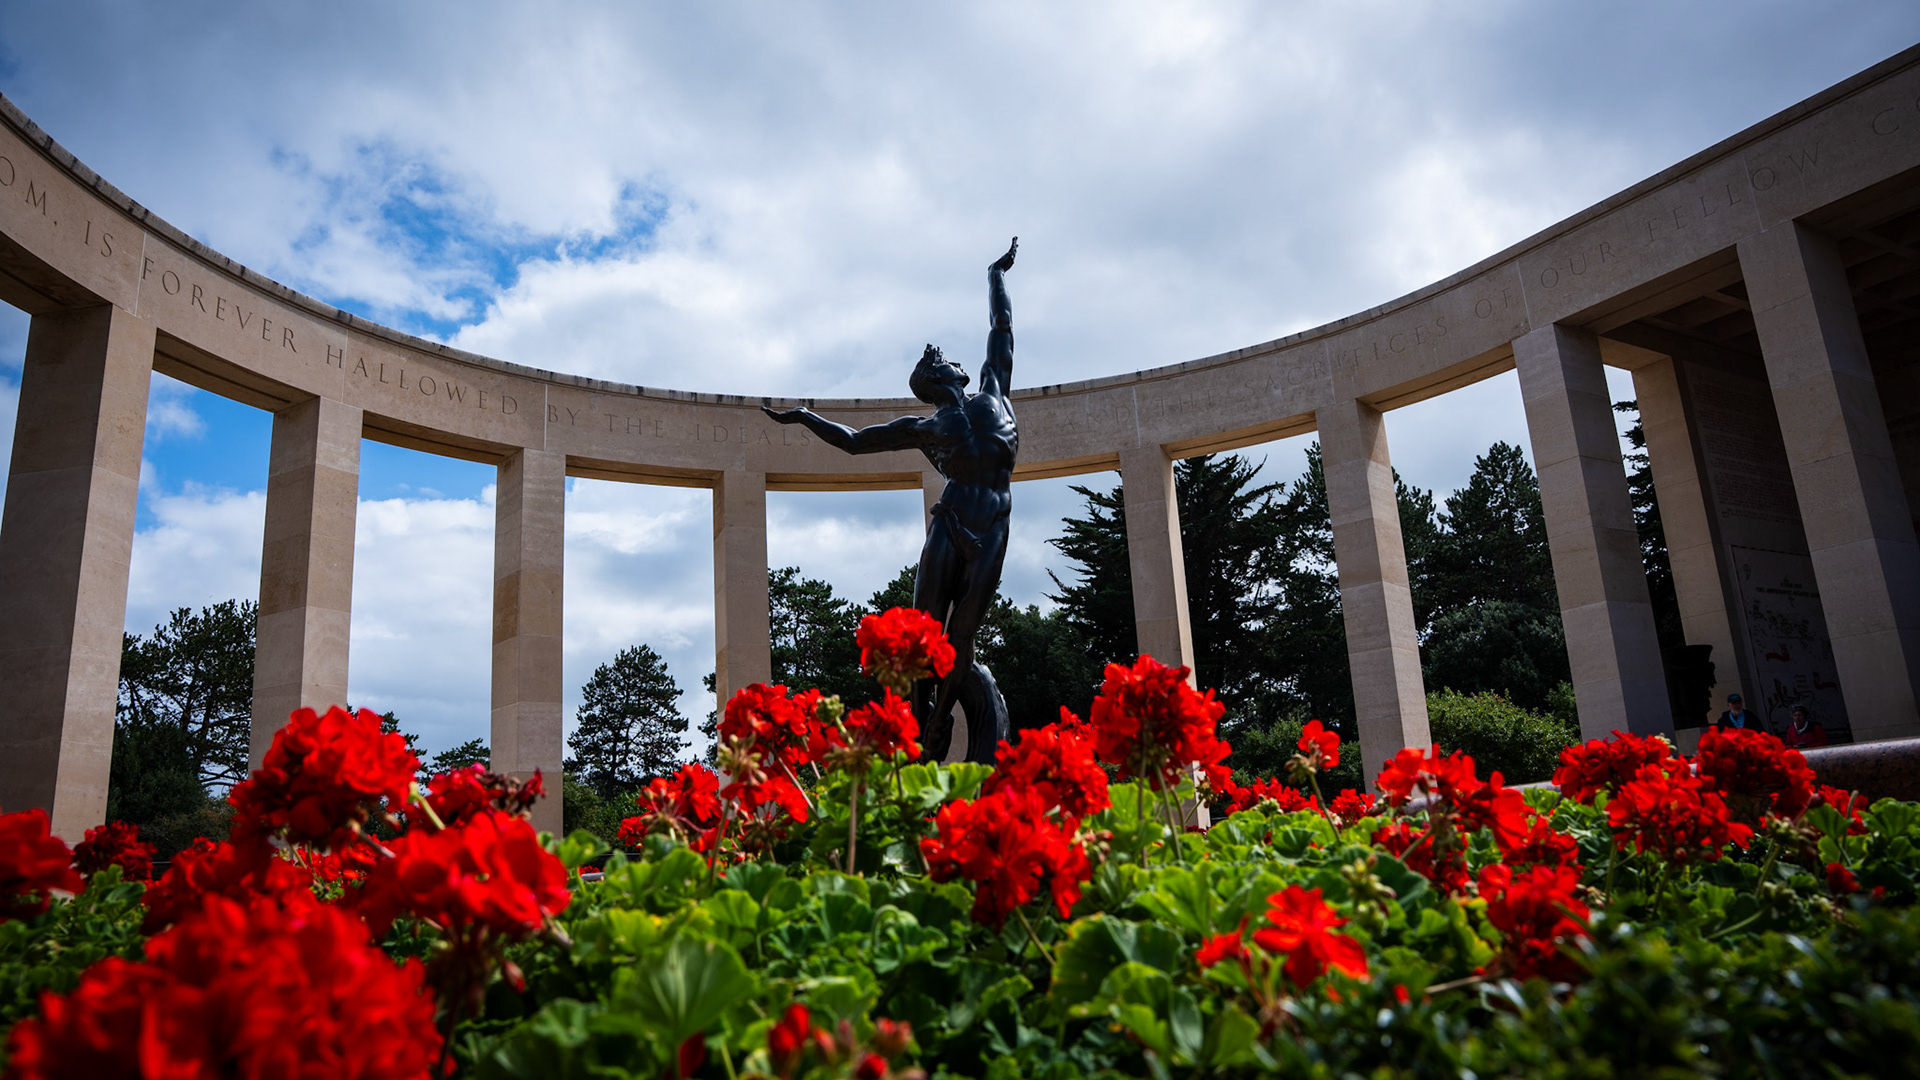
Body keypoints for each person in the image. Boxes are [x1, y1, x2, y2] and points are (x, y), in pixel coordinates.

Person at [764, 238, 1021, 763]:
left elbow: (1002, 327)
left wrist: (996, 274)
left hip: (992, 523)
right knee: (926, 629)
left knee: (963, 633)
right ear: (938, 380)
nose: (953, 363)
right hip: (952, 520)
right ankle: (920, 723)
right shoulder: (924, 427)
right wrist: (807, 416)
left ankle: (940, 721)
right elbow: (855, 442)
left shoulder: (995, 391)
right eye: (944, 363)